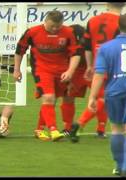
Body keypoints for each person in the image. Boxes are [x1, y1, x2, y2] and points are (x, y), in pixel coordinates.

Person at [13, 10, 80, 141]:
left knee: (62, 99)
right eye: (51, 26)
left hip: (63, 71)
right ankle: (53, 130)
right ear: (45, 21)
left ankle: (40, 129)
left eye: (58, 26)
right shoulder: (32, 32)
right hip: (41, 70)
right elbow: (19, 50)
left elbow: (76, 53)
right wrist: (16, 69)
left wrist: (70, 71)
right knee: (49, 97)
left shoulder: (69, 32)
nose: (55, 29)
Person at [72, 3, 126, 138]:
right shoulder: (124, 22)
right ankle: (81, 122)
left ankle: (93, 126)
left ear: (107, 3)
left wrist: (90, 66)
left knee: (103, 96)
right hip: (119, 64)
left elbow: (88, 46)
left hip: (99, 63)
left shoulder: (92, 21)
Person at [87, 13, 126, 177]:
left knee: (117, 129)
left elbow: (99, 74)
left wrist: (92, 96)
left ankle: (119, 166)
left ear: (119, 27)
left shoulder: (106, 47)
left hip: (114, 92)